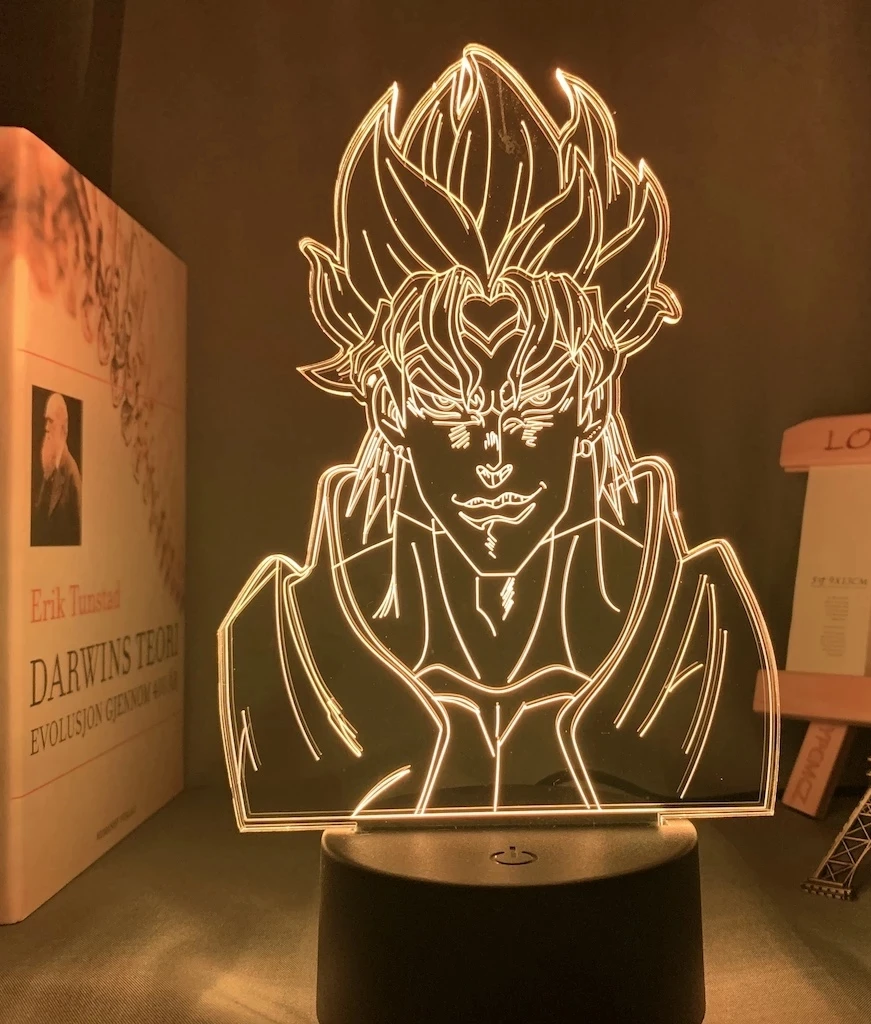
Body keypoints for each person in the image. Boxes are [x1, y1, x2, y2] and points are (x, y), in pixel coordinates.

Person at [218, 45, 778, 828]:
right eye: (451, 414)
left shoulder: (696, 621)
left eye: (531, 412)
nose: (493, 461)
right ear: (390, 405)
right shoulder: (284, 637)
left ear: (591, 398)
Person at [31, 391, 82, 546]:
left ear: (63, 427)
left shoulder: (72, 473)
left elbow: (78, 534)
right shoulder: (49, 468)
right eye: (46, 421)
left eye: (51, 421)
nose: (46, 427)